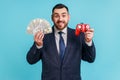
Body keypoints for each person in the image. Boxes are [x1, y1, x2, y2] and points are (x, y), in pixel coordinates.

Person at [26, 3, 96, 80]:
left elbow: (90, 58)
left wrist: (88, 42)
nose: (60, 19)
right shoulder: (43, 36)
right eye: (56, 16)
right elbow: (30, 60)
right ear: (52, 18)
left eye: (63, 15)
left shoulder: (79, 36)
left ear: (68, 17)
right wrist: (38, 45)